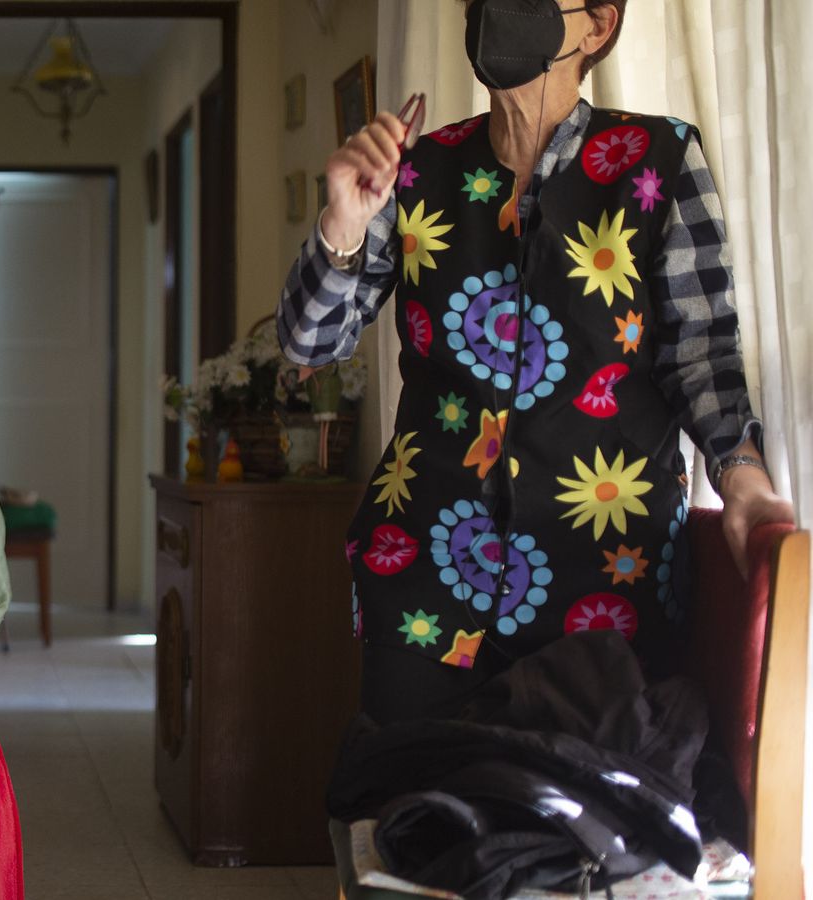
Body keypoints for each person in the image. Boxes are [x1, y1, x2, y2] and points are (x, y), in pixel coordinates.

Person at [278, 0, 794, 724]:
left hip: (611, 583)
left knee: (577, 824)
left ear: (598, 26)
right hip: (425, 574)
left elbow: (703, 355)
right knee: (414, 816)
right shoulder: (418, 170)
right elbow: (308, 346)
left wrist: (742, 477)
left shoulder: (658, 161)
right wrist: (342, 224)